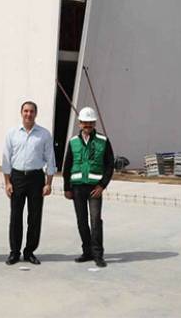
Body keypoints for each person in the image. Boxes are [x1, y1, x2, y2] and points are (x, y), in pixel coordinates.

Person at [2, 101, 56, 265]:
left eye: (31, 111)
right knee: (16, 216)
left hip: (36, 179)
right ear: (21, 113)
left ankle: (29, 251)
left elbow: (50, 159)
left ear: (36, 114)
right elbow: (6, 159)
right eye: (25, 111)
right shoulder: (12, 133)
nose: (28, 114)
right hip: (17, 177)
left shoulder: (44, 134)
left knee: (35, 216)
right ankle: (14, 252)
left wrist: (48, 183)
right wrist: (7, 182)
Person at [62, 107, 114, 268]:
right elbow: (67, 165)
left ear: (94, 123)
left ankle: (98, 254)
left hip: (94, 189)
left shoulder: (103, 141)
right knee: (82, 221)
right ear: (80, 124)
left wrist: (102, 185)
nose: (87, 125)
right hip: (77, 188)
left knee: (95, 220)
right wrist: (67, 188)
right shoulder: (73, 142)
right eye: (85, 122)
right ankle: (87, 252)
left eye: (90, 122)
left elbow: (109, 165)